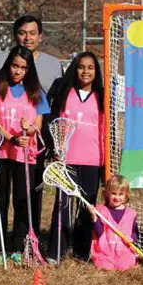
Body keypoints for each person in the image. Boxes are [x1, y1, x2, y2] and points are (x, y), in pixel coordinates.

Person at [0, 14, 63, 234]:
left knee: (28, 197)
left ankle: (29, 238)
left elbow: (51, 109)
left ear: (40, 36)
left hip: (32, 147)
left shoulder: (52, 67)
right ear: (15, 36)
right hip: (3, 148)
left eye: (32, 33)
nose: (27, 38)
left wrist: (43, 138)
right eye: (22, 33)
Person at [0, 46, 50, 263]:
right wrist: (11, 138)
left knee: (22, 200)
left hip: (26, 155)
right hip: (2, 152)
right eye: (15, 66)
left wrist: (30, 128)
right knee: (0, 200)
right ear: (8, 65)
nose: (17, 71)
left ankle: (19, 246)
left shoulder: (36, 92)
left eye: (23, 68)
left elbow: (38, 126)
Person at [47, 52, 105, 262]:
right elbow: (54, 124)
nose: (86, 71)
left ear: (96, 71)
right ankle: (57, 250)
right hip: (67, 160)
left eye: (90, 67)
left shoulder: (102, 97)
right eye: (81, 67)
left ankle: (82, 251)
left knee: (86, 206)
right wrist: (55, 151)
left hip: (92, 160)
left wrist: (106, 164)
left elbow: (107, 131)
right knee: (62, 206)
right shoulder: (65, 93)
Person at [89, 175, 140, 271]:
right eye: (114, 193)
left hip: (124, 251)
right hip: (104, 251)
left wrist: (132, 239)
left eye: (121, 194)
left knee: (124, 265)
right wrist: (94, 218)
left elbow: (135, 232)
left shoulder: (131, 214)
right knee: (106, 267)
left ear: (126, 195)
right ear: (107, 193)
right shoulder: (101, 211)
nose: (117, 197)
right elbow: (99, 233)